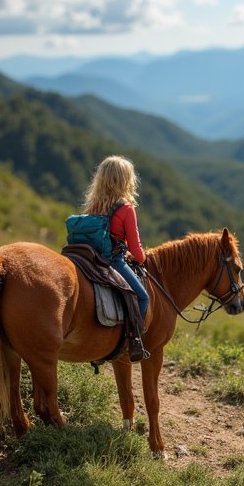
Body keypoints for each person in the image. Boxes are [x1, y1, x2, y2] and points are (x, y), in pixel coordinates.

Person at [82, 155, 150, 361]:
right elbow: (137, 251)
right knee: (143, 296)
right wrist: (141, 257)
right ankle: (132, 342)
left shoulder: (93, 204)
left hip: (87, 257)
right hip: (112, 260)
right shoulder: (126, 209)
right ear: (125, 181)